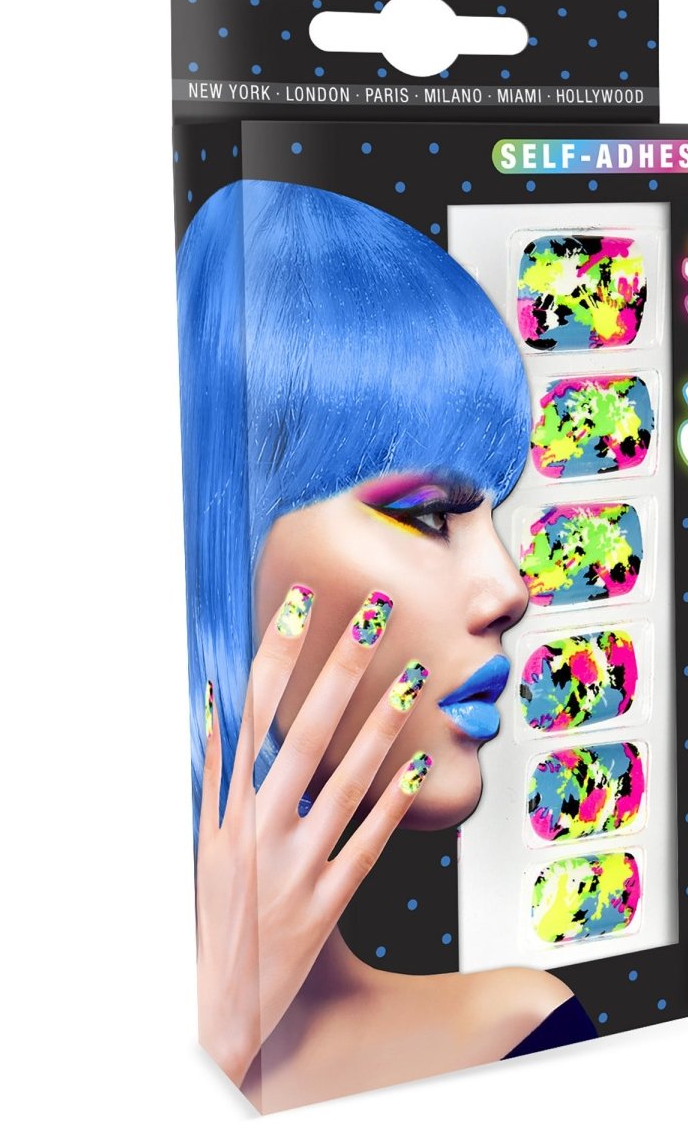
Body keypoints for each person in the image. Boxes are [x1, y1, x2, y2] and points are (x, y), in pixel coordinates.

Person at [176, 179, 597, 1113]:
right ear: (217, 535)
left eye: (494, 514)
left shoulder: (516, 1033)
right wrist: (220, 1032)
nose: (512, 591)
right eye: (428, 514)